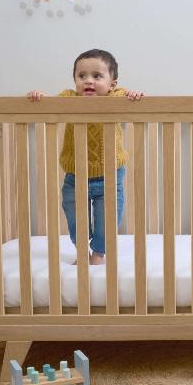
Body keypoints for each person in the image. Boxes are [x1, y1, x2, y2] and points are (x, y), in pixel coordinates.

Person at [27, 49, 144, 265]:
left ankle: (98, 254)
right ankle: (82, 251)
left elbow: (128, 97)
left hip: (110, 175)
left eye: (97, 76)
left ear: (112, 84)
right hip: (75, 175)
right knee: (74, 215)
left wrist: (134, 95)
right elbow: (50, 105)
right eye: (82, 76)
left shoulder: (116, 98)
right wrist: (40, 98)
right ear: (75, 80)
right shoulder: (69, 99)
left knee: (107, 218)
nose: (88, 81)